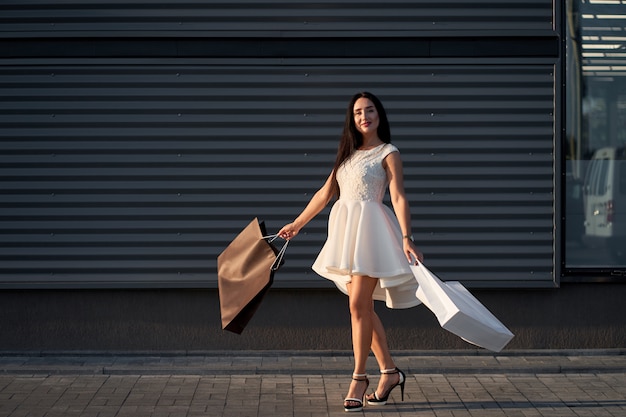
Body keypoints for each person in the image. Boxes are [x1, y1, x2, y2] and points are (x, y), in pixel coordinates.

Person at [278, 91, 424, 412]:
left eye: (369, 110)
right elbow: (325, 192)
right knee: (363, 310)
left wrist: (407, 236)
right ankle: (389, 372)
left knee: (358, 306)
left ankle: (359, 377)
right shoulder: (348, 154)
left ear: (379, 115)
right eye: (358, 112)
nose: (363, 117)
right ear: (352, 119)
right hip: (346, 236)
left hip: (371, 235)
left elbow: (398, 196)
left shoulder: (388, 152)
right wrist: (298, 223)